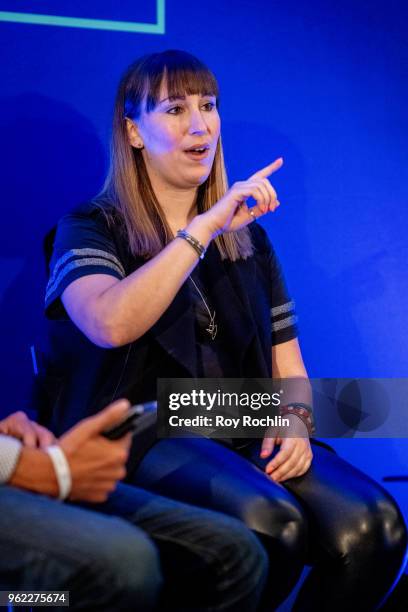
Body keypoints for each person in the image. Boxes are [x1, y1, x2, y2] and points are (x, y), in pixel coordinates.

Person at [43, 50, 407, 610]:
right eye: (174, 109)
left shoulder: (249, 240)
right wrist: (203, 228)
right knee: (269, 525)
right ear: (133, 132)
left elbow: (290, 368)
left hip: (237, 414)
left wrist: (294, 418)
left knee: (374, 527)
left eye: (207, 106)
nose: (199, 124)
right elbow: (110, 324)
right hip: (146, 425)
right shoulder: (91, 226)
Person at [0, 403, 268, 611]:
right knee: (126, 564)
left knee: (236, 550)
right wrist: (25, 466)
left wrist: (296, 416)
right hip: (167, 407)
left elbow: (289, 377)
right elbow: (110, 333)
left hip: (216, 403)